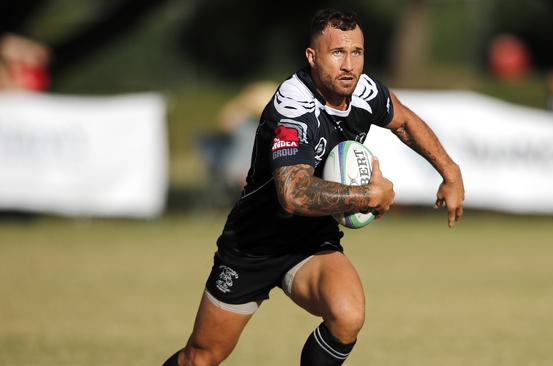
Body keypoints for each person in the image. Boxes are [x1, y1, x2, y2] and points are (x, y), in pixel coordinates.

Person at [163, 8, 464, 366]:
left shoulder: (364, 90)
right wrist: (370, 195)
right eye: (337, 53)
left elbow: (403, 121)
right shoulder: (293, 106)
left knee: (348, 316)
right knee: (201, 357)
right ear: (312, 56)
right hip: (253, 245)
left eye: (357, 52)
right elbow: (294, 193)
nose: (349, 65)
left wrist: (450, 171)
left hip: (311, 244)